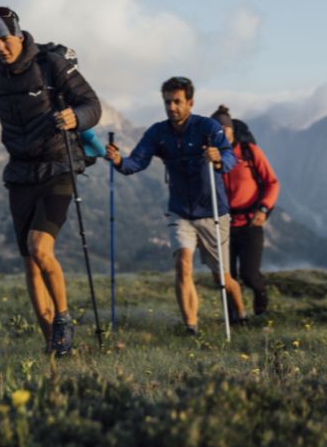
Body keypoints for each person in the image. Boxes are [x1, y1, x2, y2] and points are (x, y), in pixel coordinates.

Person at [0, 7, 101, 356]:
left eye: (4, 39)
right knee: (30, 260)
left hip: (59, 167)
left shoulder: (51, 66)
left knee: (40, 247)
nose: (0, 47)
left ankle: (63, 319)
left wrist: (76, 117)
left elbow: (91, 104)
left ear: (18, 34)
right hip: (20, 173)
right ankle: (52, 345)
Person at [104, 77, 247, 334]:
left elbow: (229, 157)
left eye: (177, 102)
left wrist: (217, 159)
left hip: (212, 211)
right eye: (168, 102)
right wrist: (118, 161)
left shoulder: (207, 127)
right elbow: (136, 162)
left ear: (190, 102)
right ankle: (190, 326)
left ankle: (241, 315)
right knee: (183, 263)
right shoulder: (157, 132)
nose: (172, 107)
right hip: (180, 211)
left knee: (221, 277)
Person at [211, 106, 280, 316]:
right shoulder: (210, 157)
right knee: (227, 276)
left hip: (251, 224)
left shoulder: (250, 152)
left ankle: (261, 300)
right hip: (224, 225)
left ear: (231, 129)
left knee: (249, 275)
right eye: (216, 128)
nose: (221, 132)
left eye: (225, 127)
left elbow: (272, 183)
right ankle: (235, 317)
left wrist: (264, 209)